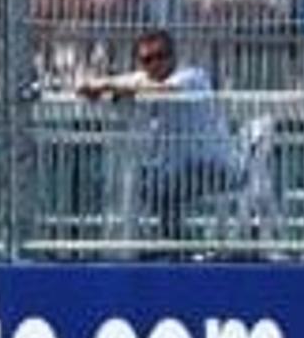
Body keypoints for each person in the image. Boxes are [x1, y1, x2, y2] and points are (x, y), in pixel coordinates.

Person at [77, 27, 245, 241]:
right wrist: (99, 87)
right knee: (146, 186)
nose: (155, 64)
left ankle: (179, 248)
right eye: (147, 59)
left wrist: (109, 85)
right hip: (179, 169)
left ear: (173, 56)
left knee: (164, 189)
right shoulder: (143, 79)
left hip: (215, 167)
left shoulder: (192, 76)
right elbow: (108, 84)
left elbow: (164, 90)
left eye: (161, 56)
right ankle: (173, 246)